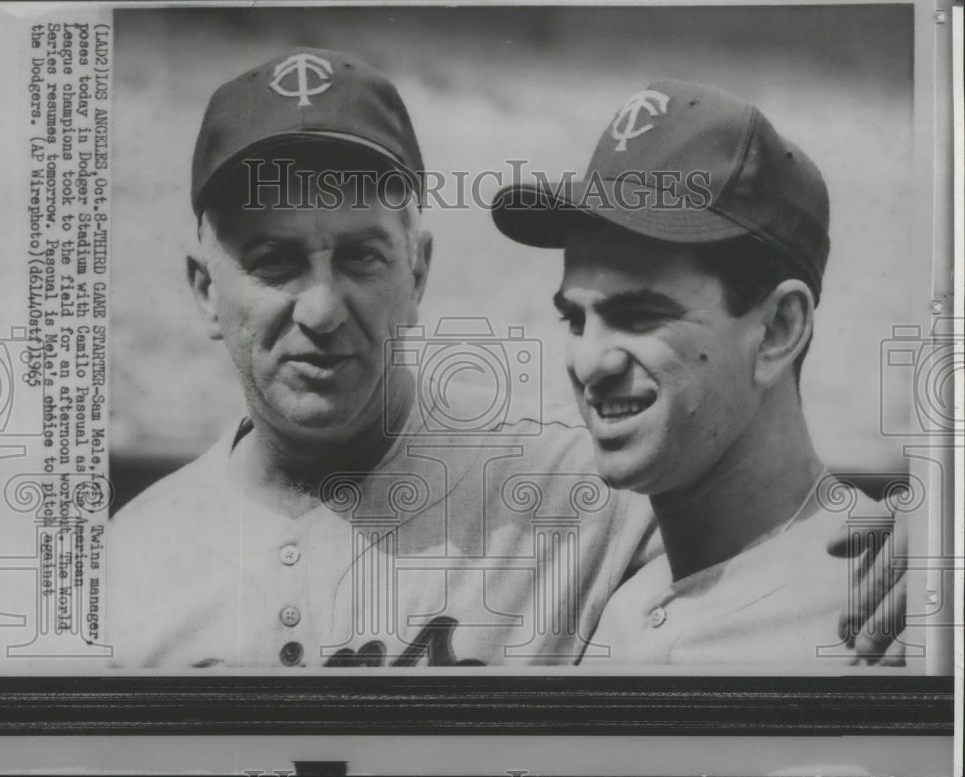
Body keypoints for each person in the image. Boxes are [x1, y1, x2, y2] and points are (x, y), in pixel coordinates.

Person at [108, 53, 900, 669]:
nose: (319, 309)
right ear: (206, 290)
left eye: (361, 257)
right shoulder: (121, 565)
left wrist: (939, 529)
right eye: (274, 263)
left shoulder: (575, 494)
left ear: (417, 272)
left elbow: (771, 515)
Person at [491, 80, 906, 665]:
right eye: (576, 319)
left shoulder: (896, 604)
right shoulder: (617, 610)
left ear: (779, 329)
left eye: (639, 315)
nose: (589, 362)